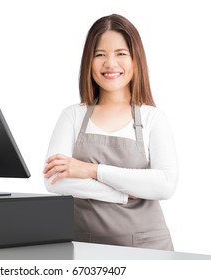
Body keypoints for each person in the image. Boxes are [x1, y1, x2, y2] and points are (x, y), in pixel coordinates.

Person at [43, 14, 178, 250]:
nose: (110, 63)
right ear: (89, 61)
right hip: (84, 245)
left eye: (121, 53)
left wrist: (90, 170)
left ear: (136, 60)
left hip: (147, 249)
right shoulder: (72, 116)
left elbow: (165, 185)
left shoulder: (152, 118)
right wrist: (123, 194)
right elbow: (54, 181)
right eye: (100, 54)